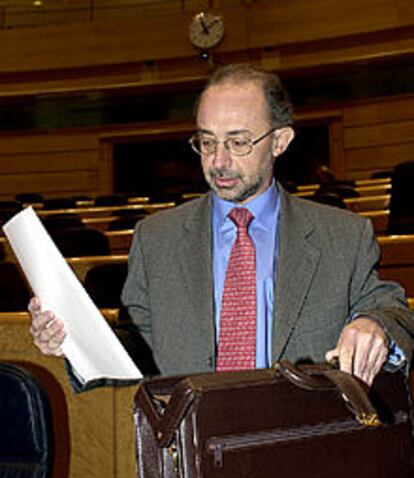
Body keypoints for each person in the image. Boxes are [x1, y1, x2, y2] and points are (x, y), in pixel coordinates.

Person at [29, 63, 414, 386]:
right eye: (207, 142)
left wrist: (373, 324)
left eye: (238, 142)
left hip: (302, 448)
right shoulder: (155, 239)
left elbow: (393, 310)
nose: (219, 162)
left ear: (280, 141)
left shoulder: (344, 236)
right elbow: (137, 349)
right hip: (192, 450)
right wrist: (76, 339)